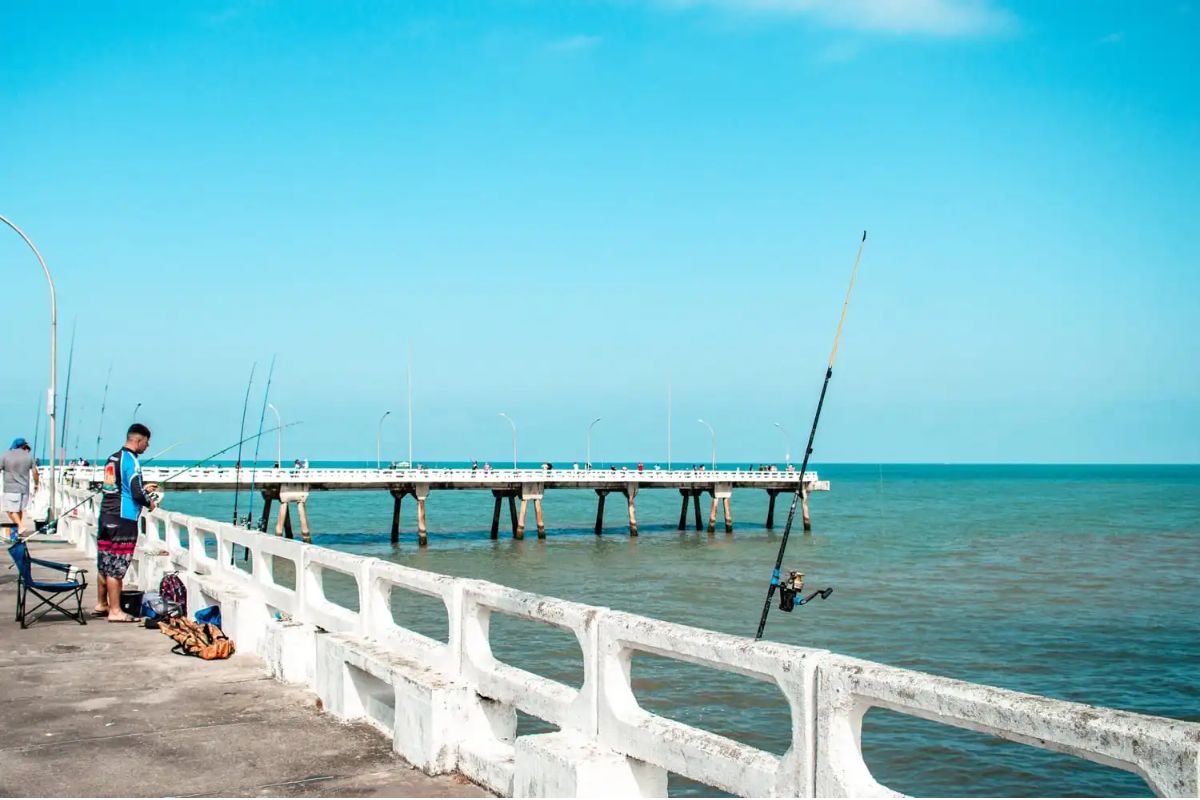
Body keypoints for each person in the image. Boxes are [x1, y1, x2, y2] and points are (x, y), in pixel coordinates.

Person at [95, 423, 158, 622]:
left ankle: (102, 604)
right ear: (138, 440)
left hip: (106, 516)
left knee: (105, 563)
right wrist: (150, 502)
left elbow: (116, 487)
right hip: (123, 519)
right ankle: (115, 611)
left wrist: (142, 487)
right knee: (117, 566)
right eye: (146, 443)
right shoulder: (131, 460)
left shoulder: (113, 458)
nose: (147, 447)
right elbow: (136, 495)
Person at [1, 438, 39, 541]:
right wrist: (36, 484)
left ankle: (21, 527)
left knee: (10, 510)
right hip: (24, 489)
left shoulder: (6, 455)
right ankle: (18, 530)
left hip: (10, 488)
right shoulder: (28, 456)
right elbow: (35, 472)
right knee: (18, 510)